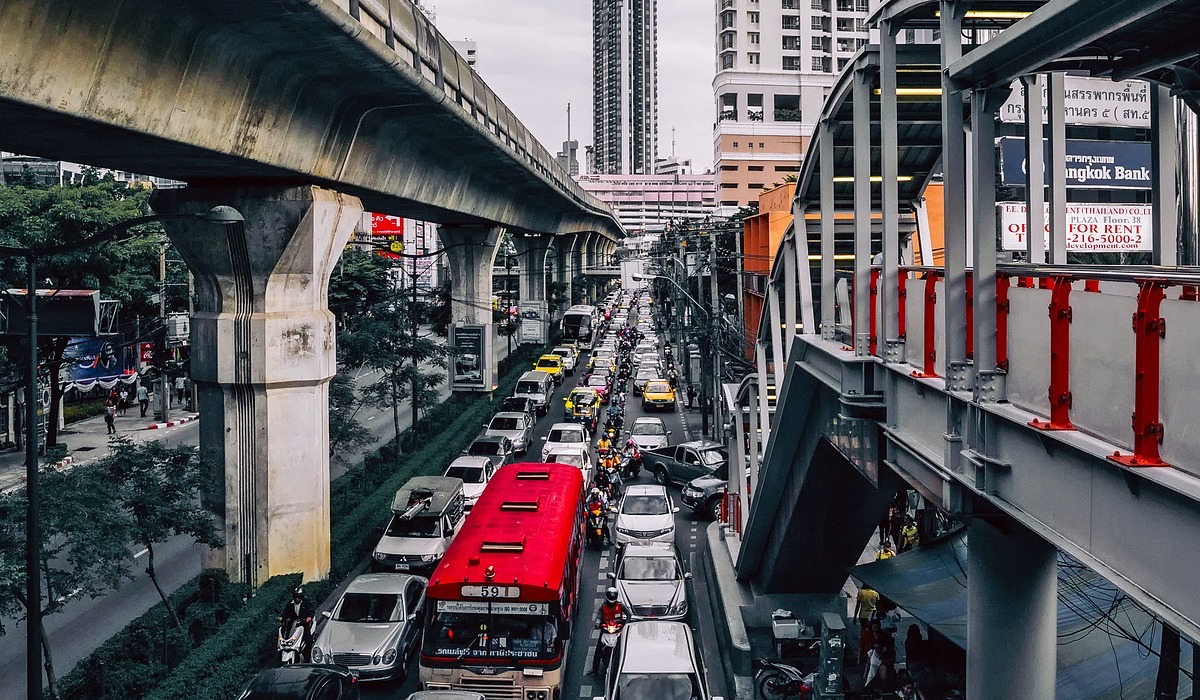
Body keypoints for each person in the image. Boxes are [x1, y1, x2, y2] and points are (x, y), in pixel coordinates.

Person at [589, 587, 628, 675]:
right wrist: (598, 623)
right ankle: (595, 669)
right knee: (598, 649)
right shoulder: (602, 607)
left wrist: (626, 624)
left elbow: (628, 615)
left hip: (618, 631)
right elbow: (598, 617)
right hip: (606, 630)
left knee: (624, 647)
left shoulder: (620, 606)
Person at [280, 586, 316, 655]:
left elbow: (311, 610)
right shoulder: (290, 603)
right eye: (295, 596)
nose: (297, 598)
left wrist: (309, 617)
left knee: (308, 641)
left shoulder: (306, 603)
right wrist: (282, 618)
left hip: (303, 623)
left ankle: (307, 654)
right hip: (293, 624)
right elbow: (285, 613)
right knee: (285, 637)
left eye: (299, 597)